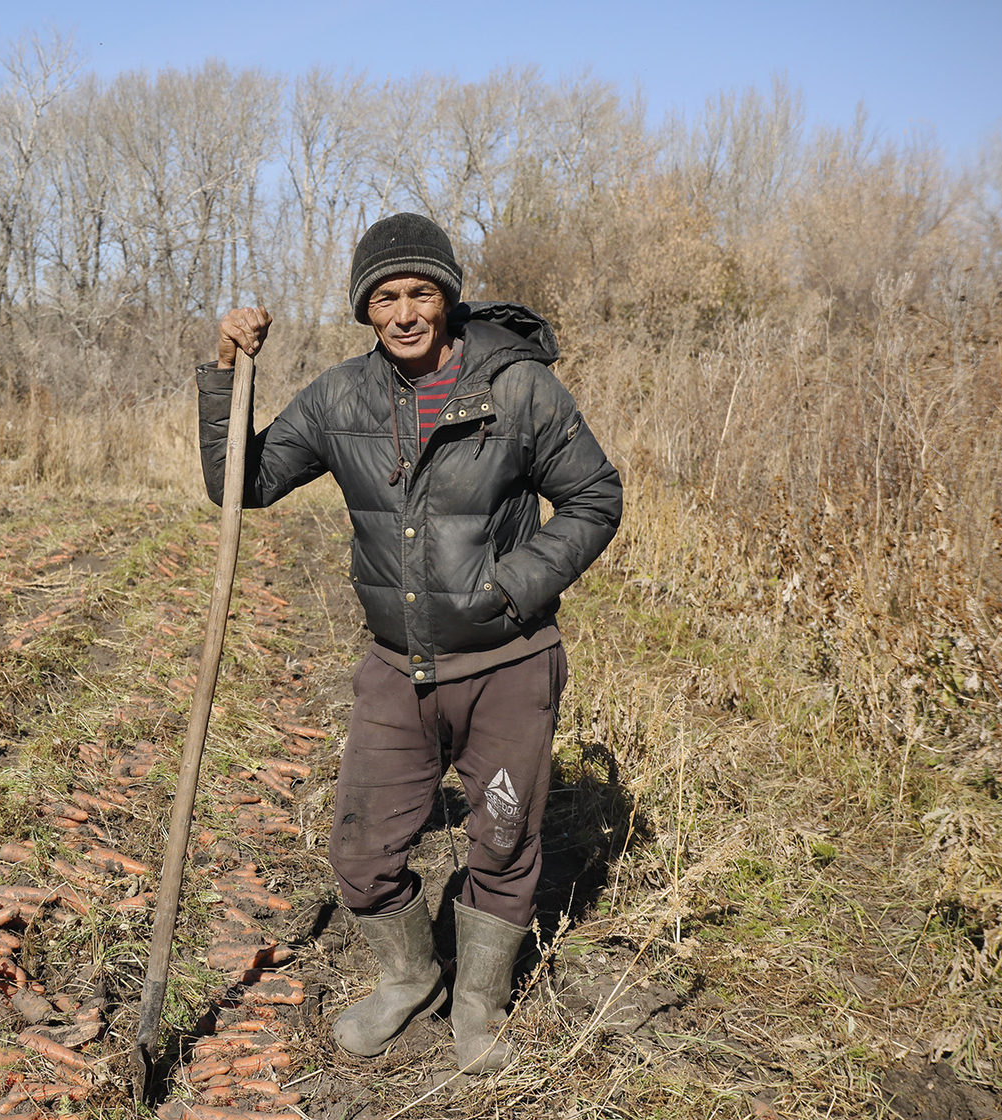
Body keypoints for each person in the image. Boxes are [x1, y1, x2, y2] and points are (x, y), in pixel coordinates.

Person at [195, 213, 622, 1072]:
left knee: (503, 838)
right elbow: (240, 485)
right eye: (383, 297)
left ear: (448, 296)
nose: (403, 313)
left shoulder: (519, 389)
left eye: (420, 292)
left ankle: (480, 1006)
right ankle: (410, 977)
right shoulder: (340, 397)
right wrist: (224, 372)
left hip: (507, 664)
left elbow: (595, 498)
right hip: (397, 668)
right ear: (365, 309)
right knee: (360, 851)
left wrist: (513, 587)